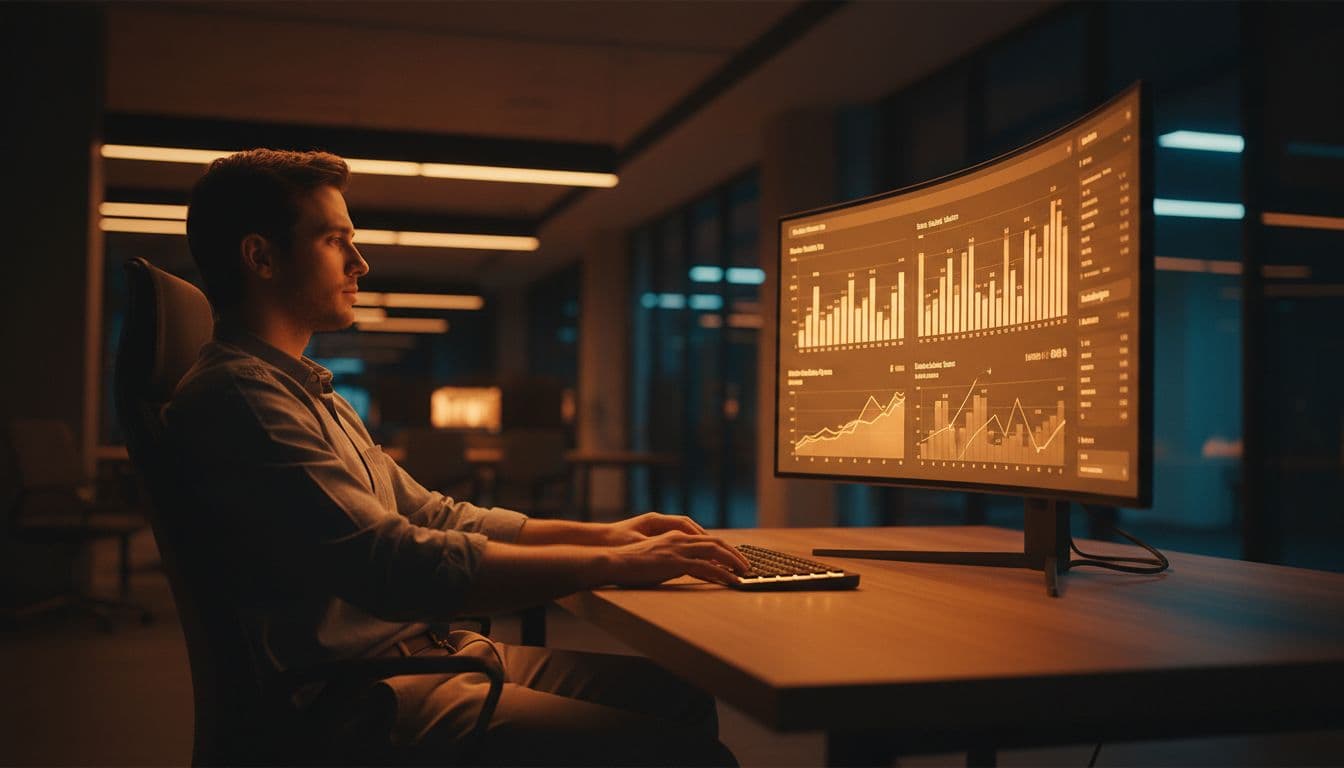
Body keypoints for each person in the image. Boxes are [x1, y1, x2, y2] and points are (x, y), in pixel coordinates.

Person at [164, 148, 750, 766]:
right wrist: (611, 563)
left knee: (678, 698)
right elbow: (388, 563)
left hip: (421, 655)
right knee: (689, 754)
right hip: (358, 695)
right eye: (335, 240)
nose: (360, 262)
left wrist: (607, 535)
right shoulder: (242, 397)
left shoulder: (309, 393)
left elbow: (436, 517)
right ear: (260, 256)